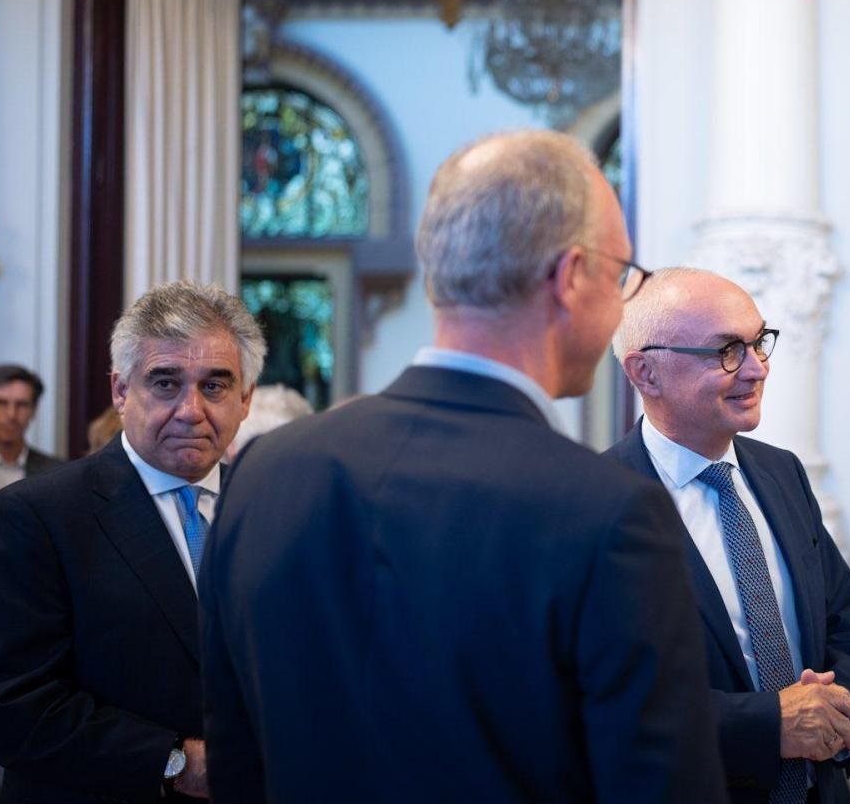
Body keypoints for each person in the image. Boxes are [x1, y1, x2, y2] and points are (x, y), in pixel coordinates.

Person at [200, 131, 727, 803]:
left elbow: (236, 762)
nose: (623, 301)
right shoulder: (610, 513)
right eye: (621, 274)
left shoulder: (264, 471)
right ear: (570, 277)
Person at [0, 281, 264, 803]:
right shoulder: (34, 516)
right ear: (121, 391)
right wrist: (177, 763)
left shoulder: (273, 510)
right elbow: (14, 710)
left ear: (245, 399)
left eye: (214, 386)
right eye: (166, 383)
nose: (191, 409)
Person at [607, 268, 850, 804]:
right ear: (645, 372)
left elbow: (842, 626)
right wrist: (768, 725)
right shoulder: (599, 502)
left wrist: (836, 717)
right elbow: (612, 700)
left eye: (758, 342)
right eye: (727, 351)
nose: (757, 368)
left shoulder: (783, 472)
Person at [0, 365, 62, 511]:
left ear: (34, 410)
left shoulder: (56, 474)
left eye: (22, 405)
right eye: (1, 403)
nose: (11, 415)